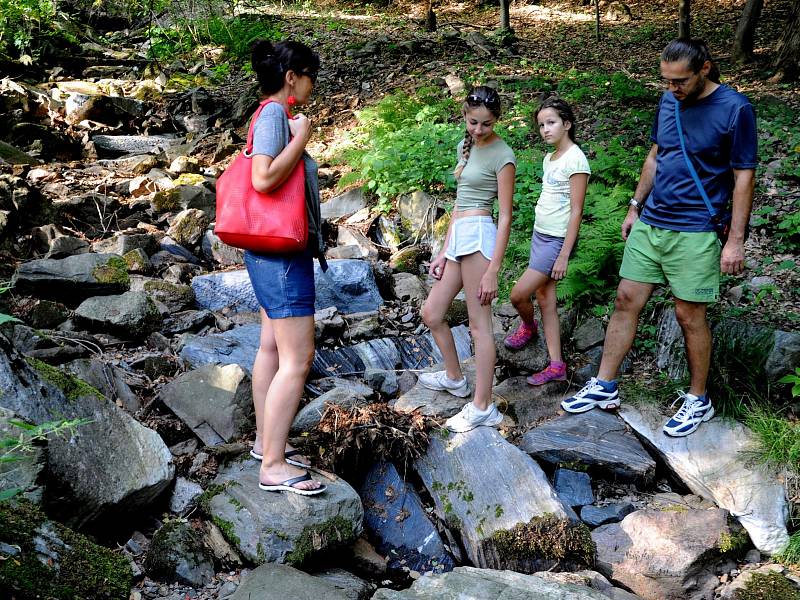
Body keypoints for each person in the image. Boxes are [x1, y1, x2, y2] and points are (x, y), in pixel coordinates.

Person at [562, 38, 757, 437]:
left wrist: (735, 240)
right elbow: (655, 156)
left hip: (697, 228)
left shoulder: (736, 109)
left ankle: (698, 400)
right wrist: (635, 205)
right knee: (624, 300)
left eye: (680, 81)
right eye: (666, 81)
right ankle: (605, 385)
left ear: (705, 69)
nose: (673, 89)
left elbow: (743, 177)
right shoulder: (669, 102)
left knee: (689, 316)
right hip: (653, 221)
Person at [245, 39, 326, 495]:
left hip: (267, 250)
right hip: (280, 254)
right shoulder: (276, 115)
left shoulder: (265, 113)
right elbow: (263, 178)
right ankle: (273, 465)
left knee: (271, 350)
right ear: (292, 76)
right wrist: (302, 138)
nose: (314, 85)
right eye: (311, 75)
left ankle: (264, 443)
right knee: (298, 358)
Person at [418, 86, 516, 433]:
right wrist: (443, 251)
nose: (478, 130)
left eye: (486, 124)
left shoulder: (503, 155)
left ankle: (483, 406)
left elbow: (505, 216)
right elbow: (459, 203)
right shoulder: (468, 145)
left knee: (479, 325)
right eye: (473, 122)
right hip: (460, 236)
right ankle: (455, 378)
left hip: (480, 239)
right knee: (431, 312)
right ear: (464, 115)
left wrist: (493, 270)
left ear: (496, 120)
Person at [503, 96, 590, 385]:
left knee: (518, 294)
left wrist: (564, 254)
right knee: (545, 297)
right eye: (541, 125)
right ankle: (557, 364)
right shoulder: (549, 158)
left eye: (551, 123)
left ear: (567, 124)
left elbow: (577, 210)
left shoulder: (576, 159)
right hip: (541, 234)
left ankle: (529, 327)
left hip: (556, 241)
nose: (545, 129)